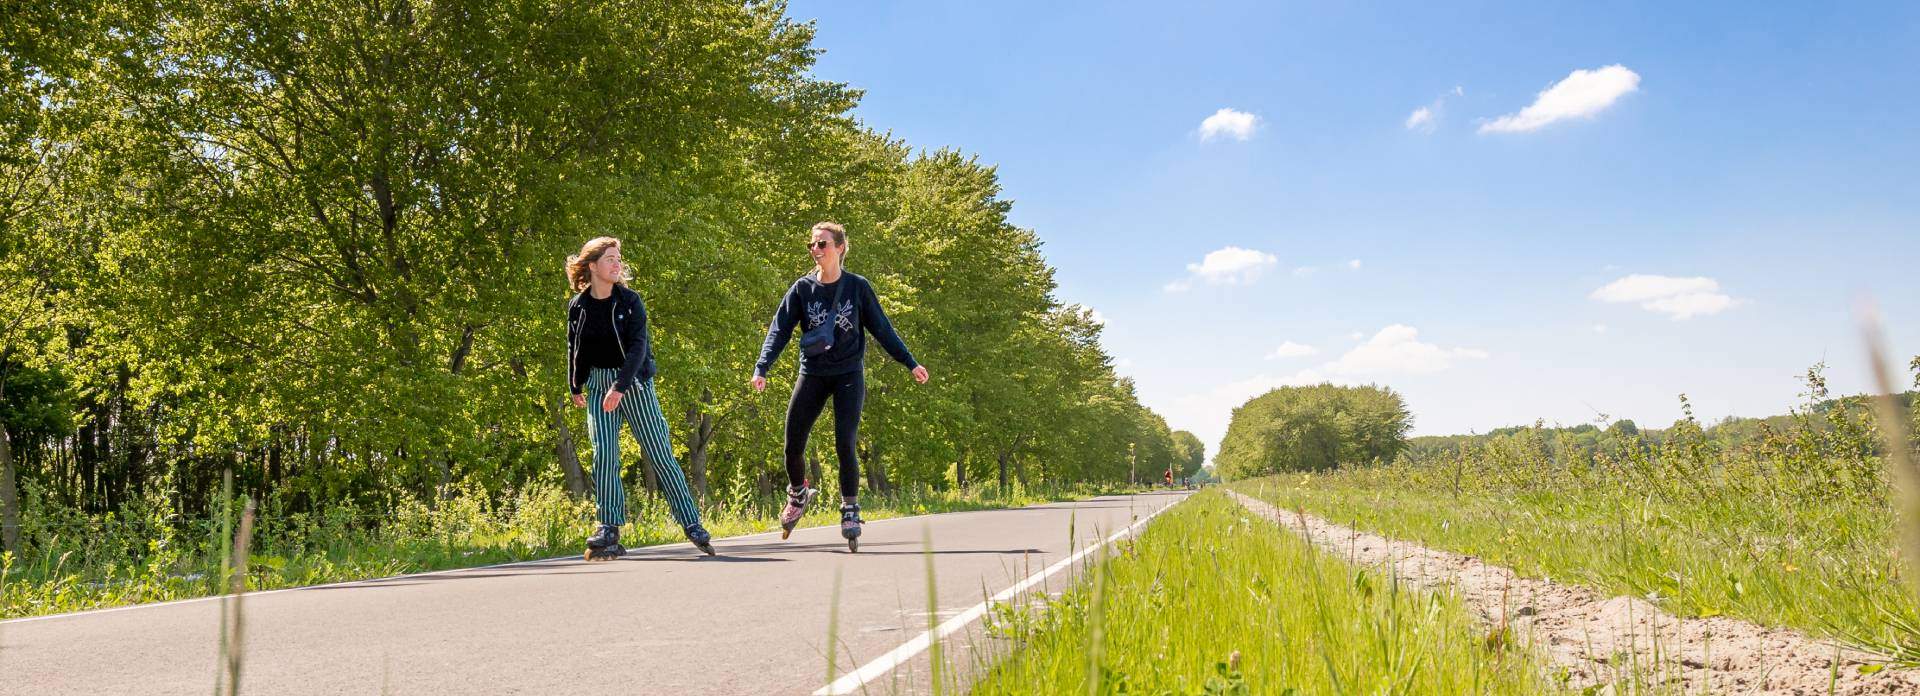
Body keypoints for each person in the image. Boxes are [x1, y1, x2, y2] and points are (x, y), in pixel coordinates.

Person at [751, 222, 929, 551]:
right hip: (813, 373)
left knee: (845, 442)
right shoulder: (802, 289)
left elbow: (882, 329)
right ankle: (798, 493)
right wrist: (762, 367)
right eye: (812, 245)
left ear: (840, 248)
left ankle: (849, 508)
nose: (816, 249)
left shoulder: (857, 288)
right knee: (792, 442)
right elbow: (779, 331)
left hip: (849, 373)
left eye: (822, 244)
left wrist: (910, 362)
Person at [565, 237, 714, 558]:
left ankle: (691, 523)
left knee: (660, 454)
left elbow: (638, 347)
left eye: (619, 259)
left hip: (632, 382)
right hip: (598, 384)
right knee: (604, 454)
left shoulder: (630, 302)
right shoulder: (578, 306)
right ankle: (609, 528)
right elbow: (574, 347)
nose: (617, 264)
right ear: (592, 266)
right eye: (610, 259)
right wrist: (575, 384)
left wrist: (619, 387)